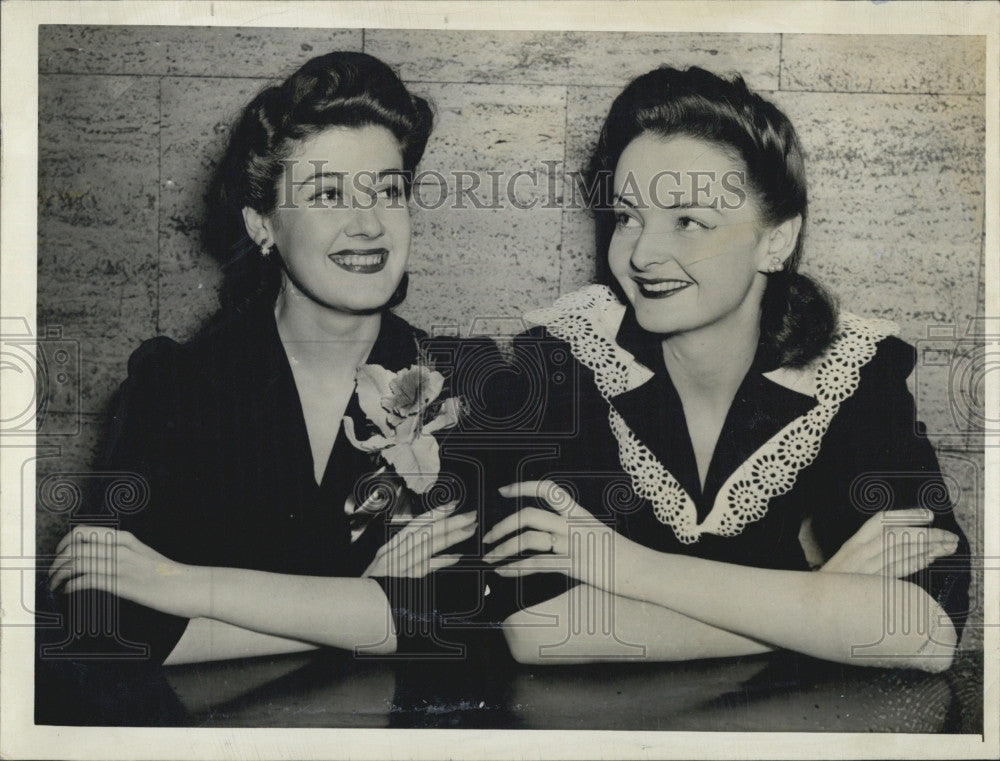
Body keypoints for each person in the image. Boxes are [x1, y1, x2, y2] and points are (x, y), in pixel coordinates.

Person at [481, 66, 971, 672]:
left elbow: (926, 630)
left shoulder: (855, 367)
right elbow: (539, 629)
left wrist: (629, 568)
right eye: (628, 216)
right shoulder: (560, 359)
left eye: (689, 221)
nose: (640, 254)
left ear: (776, 241)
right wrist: (821, 596)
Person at [45, 51, 488, 667]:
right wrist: (364, 605)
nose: (368, 224)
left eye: (389, 190)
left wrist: (186, 587)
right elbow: (101, 621)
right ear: (262, 224)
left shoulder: (463, 382)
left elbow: (463, 612)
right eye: (328, 193)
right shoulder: (175, 387)